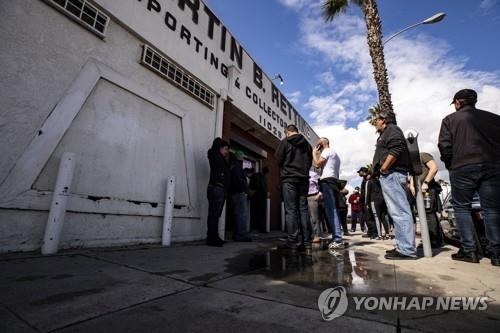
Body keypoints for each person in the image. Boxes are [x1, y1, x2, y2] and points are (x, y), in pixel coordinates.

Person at [438, 89, 500, 266]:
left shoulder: (450, 120)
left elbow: (444, 146)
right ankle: (497, 253)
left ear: (458, 102)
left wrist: (450, 164)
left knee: (462, 208)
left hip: (462, 166)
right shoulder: (494, 119)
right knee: (492, 209)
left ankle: (469, 250)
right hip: (492, 166)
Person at [372, 112, 416, 259]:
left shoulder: (392, 129)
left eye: (376, 119)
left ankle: (406, 250)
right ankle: (402, 245)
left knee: (400, 211)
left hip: (393, 174)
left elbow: (397, 147)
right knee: (396, 212)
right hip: (391, 175)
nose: (375, 122)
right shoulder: (387, 132)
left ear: (383, 120)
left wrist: (384, 167)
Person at [275, 124, 313, 252]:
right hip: (303, 179)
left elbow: (278, 159)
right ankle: (307, 242)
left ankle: (292, 241)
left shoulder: (285, 142)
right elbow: (309, 162)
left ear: (287, 132)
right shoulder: (307, 145)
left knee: (291, 210)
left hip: (289, 179)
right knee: (303, 210)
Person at [312, 137, 344, 250]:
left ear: (323, 143)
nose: (317, 143)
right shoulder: (335, 154)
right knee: (332, 210)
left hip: (327, 182)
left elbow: (317, 164)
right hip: (333, 181)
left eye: (318, 142)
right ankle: (337, 236)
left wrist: (314, 154)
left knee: (331, 210)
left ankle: (338, 239)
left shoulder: (326, 151)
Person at [408, 152, 443, 248]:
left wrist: (426, 182)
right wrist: (411, 187)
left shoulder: (423, 155)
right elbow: (412, 176)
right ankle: (430, 239)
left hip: (428, 189)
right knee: (424, 214)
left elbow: (434, 168)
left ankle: (434, 240)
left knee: (428, 213)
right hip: (419, 191)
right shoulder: (411, 162)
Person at [206, 138, 230, 247]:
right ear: (219, 148)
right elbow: (212, 151)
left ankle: (214, 236)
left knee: (216, 215)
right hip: (216, 188)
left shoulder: (221, 159)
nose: (227, 152)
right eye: (225, 149)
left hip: (220, 189)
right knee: (213, 214)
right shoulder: (214, 156)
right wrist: (219, 141)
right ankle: (211, 238)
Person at [228, 151, 252, 242]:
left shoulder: (233, 166)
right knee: (241, 214)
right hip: (239, 193)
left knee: (237, 214)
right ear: (240, 158)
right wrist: (243, 190)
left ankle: (237, 234)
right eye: (242, 157)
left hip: (234, 193)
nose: (243, 159)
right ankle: (241, 235)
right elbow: (238, 180)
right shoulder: (237, 167)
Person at [249, 166, 269, 233]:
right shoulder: (261, 177)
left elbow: (252, 186)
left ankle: (253, 227)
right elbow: (262, 188)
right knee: (260, 214)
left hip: (257, 197)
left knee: (255, 213)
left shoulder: (257, 176)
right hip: (260, 198)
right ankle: (259, 228)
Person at [307, 167, 322, 243]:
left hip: (313, 196)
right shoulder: (301, 174)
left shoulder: (314, 174)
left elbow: (321, 185)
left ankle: (317, 235)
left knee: (314, 218)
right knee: (306, 217)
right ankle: (309, 235)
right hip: (303, 197)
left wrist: (319, 194)